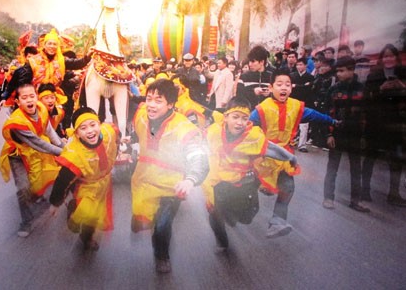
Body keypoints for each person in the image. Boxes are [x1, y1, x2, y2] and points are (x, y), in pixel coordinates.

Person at [130, 79, 209, 273]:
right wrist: (128, 140)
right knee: (143, 220)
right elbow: (139, 134)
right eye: (149, 98)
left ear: (171, 104)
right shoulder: (141, 116)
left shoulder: (183, 127)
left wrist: (190, 180)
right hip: (144, 182)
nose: (151, 104)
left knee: (162, 225)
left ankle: (162, 256)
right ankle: (142, 219)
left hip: (171, 186)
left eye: (158, 100)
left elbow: (198, 156)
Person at [250, 69, 337, 238]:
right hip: (263, 155)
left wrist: (332, 121)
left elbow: (314, 115)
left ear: (291, 88)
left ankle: (277, 221)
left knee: (288, 187)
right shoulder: (262, 109)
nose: (284, 88)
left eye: (287, 85)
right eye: (279, 84)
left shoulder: (296, 106)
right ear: (271, 87)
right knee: (250, 189)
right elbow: (246, 125)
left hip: (284, 156)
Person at [202, 98, 297, 251]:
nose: (240, 122)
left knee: (247, 217)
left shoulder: (252, 135)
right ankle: (222, 241)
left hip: (244, 181)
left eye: (244, 118)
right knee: (214, 210)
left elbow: (270, 148)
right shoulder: (213, 132)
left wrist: (291, 157)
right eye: (235, 117)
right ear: (226, 117)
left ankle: (231, 214)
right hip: (218, 181)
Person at [0, 84, 65, 237]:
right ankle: (26, 222)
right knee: (23, 188)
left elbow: (49, 130)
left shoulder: (41, 110)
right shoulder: (17, 121)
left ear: (36, 97)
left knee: (38, 183)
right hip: (19, 155)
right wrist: (63, 152)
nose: (29, 100)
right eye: (24, 97)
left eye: (32, 96)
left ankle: (35, 199)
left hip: (36, 152)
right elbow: (38, 143)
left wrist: (63, 146)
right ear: (17, 102)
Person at [48, 107, 120, 250]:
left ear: (99, 125)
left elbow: (116, 131)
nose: (90, 131)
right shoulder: (75, 155)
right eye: (83, 128)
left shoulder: (107, 132)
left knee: (94, 216)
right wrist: (55, 203)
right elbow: (62, 180)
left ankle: (87, 238)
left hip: (104, 182)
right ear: (77, 134)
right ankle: (73, 209)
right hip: (86, 186)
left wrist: (119, 143)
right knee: (86, 213)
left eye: (93, 125)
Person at [322, 57, 369, 212]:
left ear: (351, 69)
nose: (338, 74)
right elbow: (328, 113)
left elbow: (365, 115)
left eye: (342, 71)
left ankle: (356, 200)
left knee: (356, 169)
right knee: (332, 167)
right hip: (337, 134)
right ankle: (328, 197)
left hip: (355, 135)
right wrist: (329, 135)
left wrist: (364, 137)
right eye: (337, 71)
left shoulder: (362, 90)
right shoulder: (333, 90)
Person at [362, 44, 406, 207]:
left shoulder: (402, 74)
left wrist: (401, 87)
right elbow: (366, 97)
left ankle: (394, 193)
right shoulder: (374, 75)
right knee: (370, 156)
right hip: (376, 122)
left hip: (395, 121)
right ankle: (364, 189)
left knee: (396, 158)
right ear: (382, 59)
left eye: (391, 56)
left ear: (396, 57)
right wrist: (380, 89)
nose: (388, 59)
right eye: (385, 56)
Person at [290, 58, 315, 153]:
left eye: (301, 64)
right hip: (293, 101)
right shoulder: (292, 76)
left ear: (305, 66)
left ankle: (302, 145)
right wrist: (303, 86)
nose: (299, 67)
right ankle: (291, 141)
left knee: (304, 124)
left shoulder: (310, 77)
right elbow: (291, 88)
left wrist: (296, 86)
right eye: (298, 65)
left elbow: (309, 89)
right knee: (292, 123)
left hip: (305, 102)